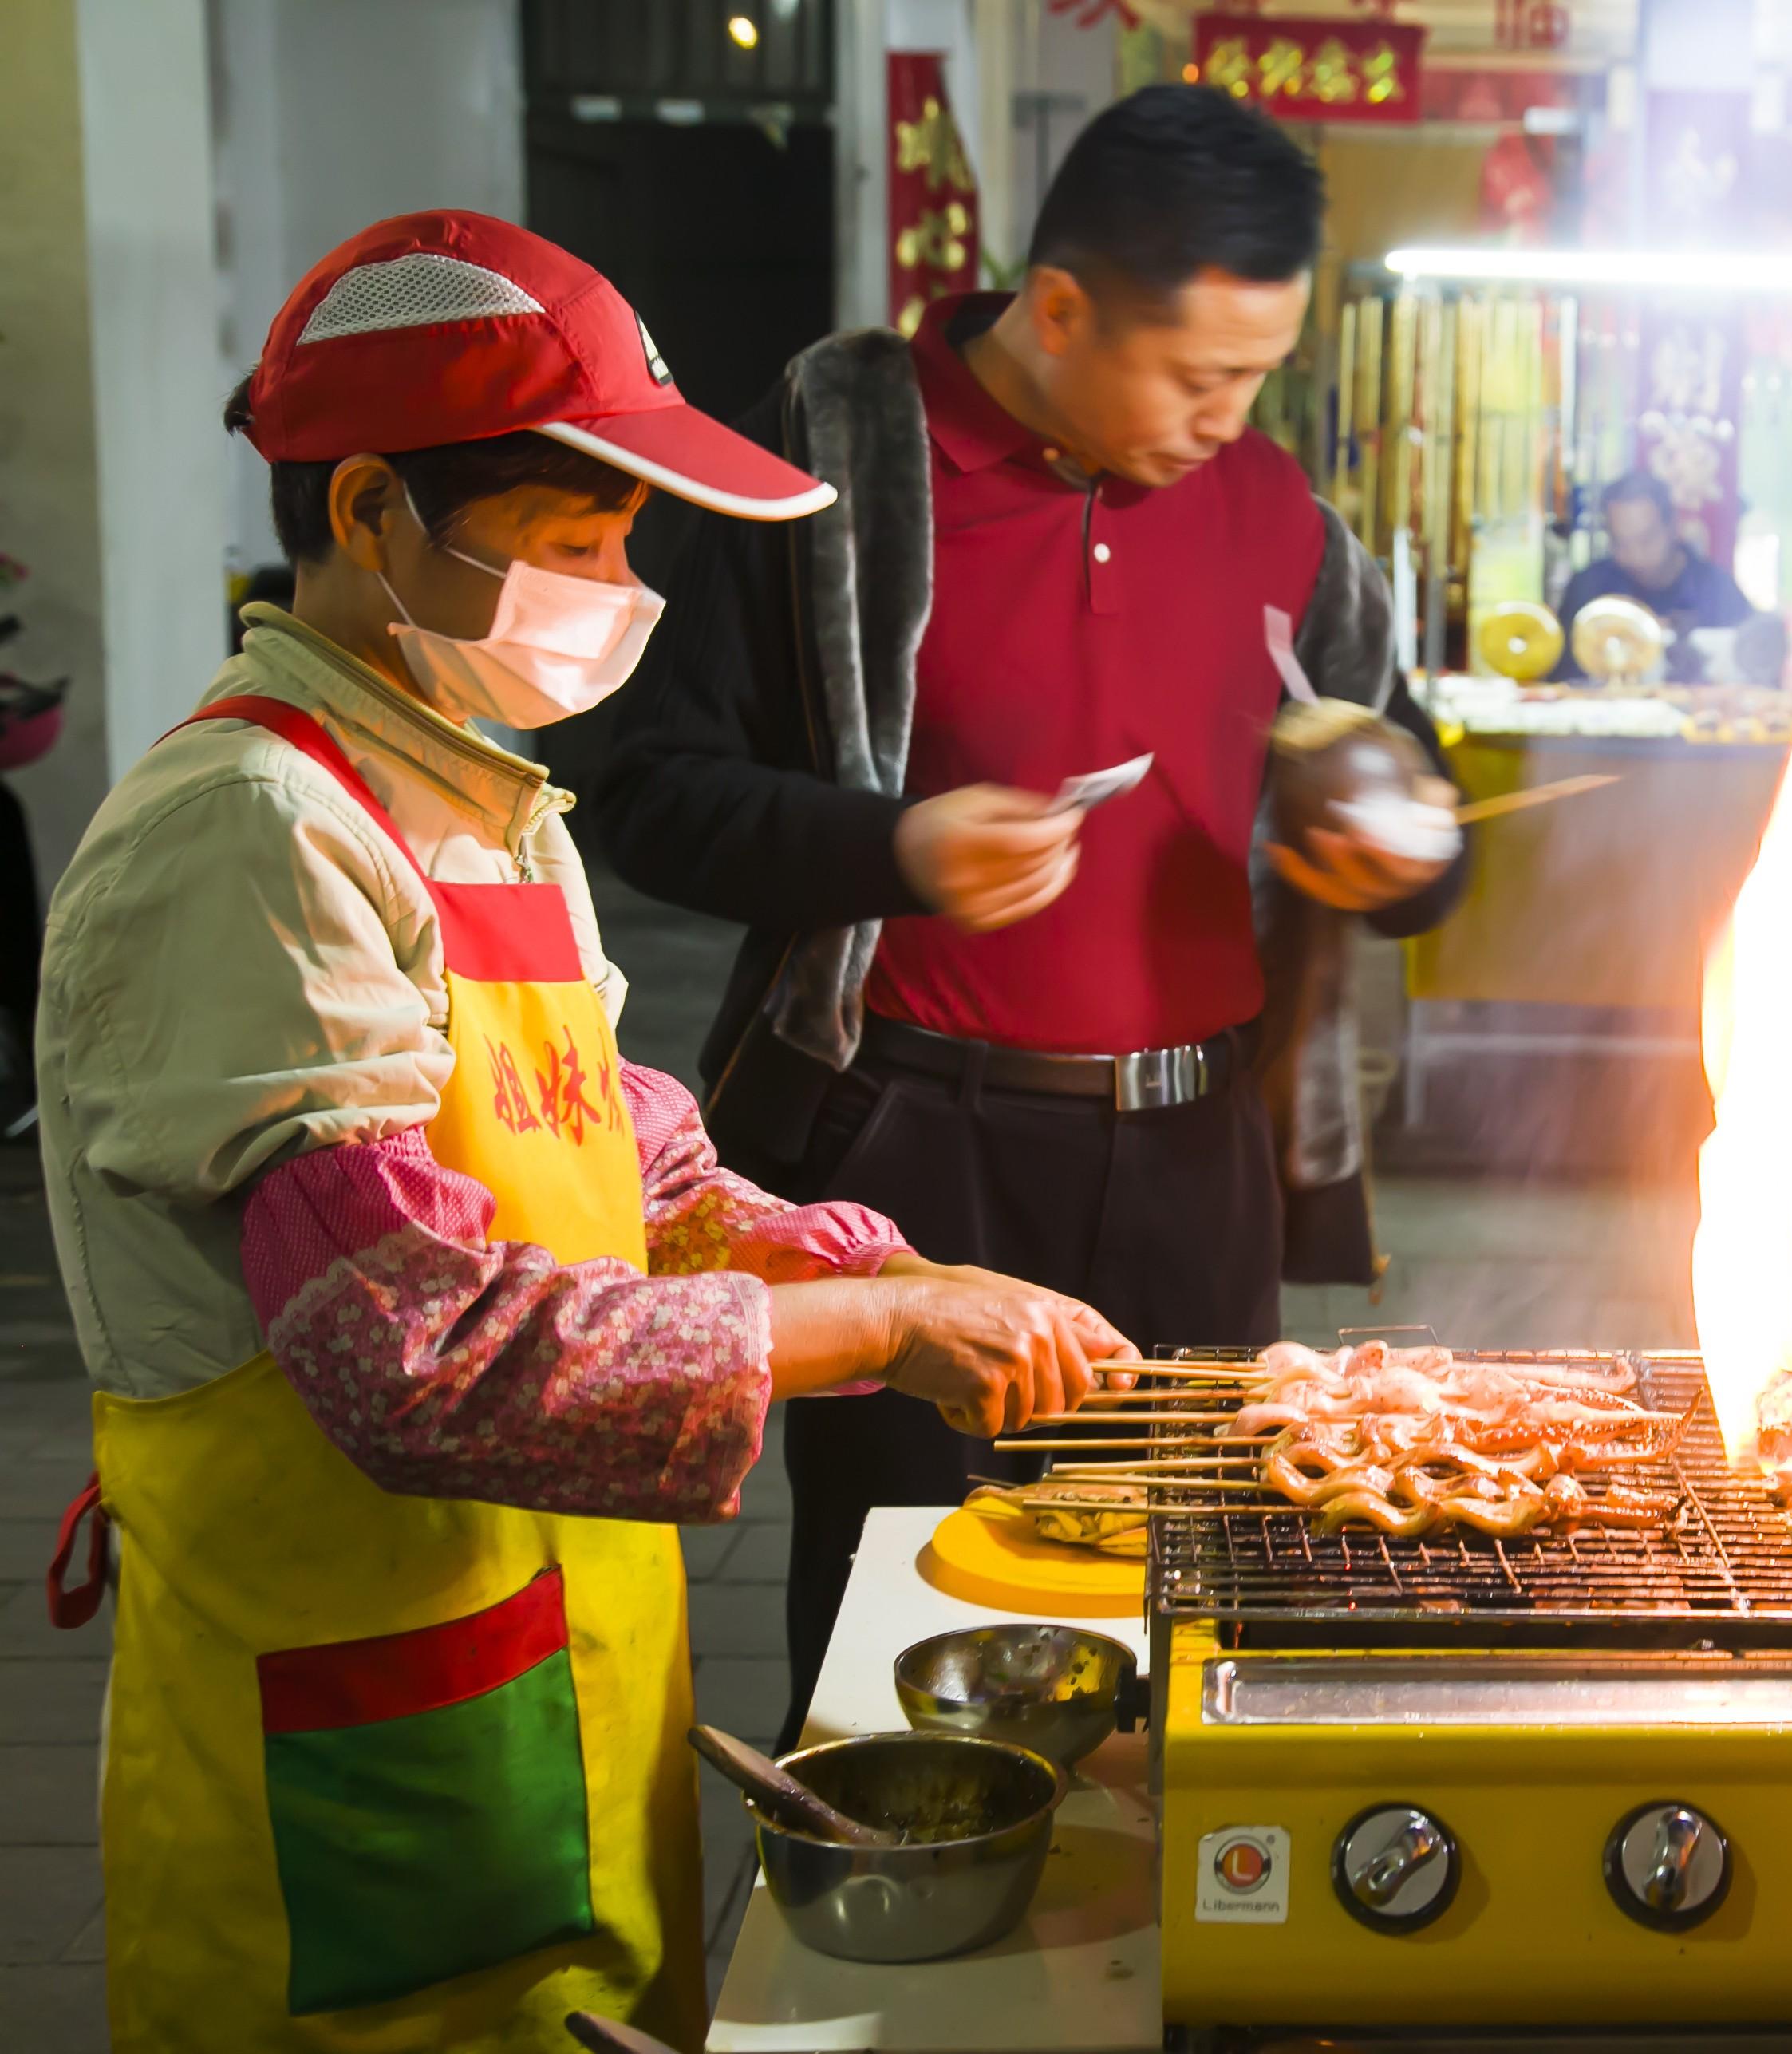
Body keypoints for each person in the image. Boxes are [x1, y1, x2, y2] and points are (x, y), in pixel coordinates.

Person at [32, 213, 1135, 2053]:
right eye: (578, 536)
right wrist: (861, 1334)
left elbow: (641, 1173)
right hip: (362, 1733)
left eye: (631, 536)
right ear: (375, 510)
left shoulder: (488, 805)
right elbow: (418, 1353)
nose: (624, 586)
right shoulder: (256, 830)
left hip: (556, 1669)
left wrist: (902, 1270)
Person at [590, 86, 1470, 1744]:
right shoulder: (836, 445)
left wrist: (1403, 852)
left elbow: (1415, 794)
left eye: (1258, 375)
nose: (1231, 417)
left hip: (1199, 1157)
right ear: (1055, 308)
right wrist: (892, 849)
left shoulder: (1271, 509)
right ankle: (893, 1919)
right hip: (917, 1152)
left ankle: (1191, 1948)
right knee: (912, 1615)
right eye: (1200, 374)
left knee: (1196, 1599)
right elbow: (649, 786)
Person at [1549, 470, 1753, 680]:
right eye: (1621, 543)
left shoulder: (1716, 588)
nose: (1636, 556)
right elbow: (1561, 679)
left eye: (1646, 540)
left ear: (1673, 526)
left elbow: (1752, 665)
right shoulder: (1588, 588)